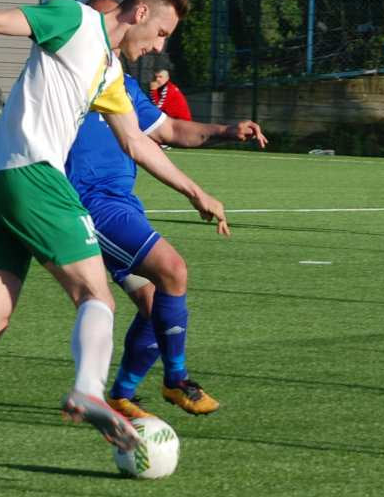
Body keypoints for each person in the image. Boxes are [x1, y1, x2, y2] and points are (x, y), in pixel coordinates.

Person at [0, 0, 229, 478]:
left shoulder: (110, 71)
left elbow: (137, 142)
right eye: (160, 33)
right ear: (139, 15)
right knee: (97, 295)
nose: (159, 47)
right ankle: (88, 389)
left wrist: (196, 192)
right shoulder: (75, 20)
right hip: (34, 177)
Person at [67, 70, 267, 420]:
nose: (155, 47)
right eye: (157, 33)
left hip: (122, 202)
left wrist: (226, 131)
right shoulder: (67, 73)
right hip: (87, 203)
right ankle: (176, 378)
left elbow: (169, 130)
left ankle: (121, 396)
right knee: (172, 269)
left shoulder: (122, 83)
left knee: (153, 304)